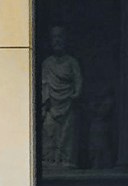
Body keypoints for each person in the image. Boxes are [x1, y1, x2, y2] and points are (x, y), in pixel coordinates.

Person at [40, 27, 84, 168]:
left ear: (65, 40)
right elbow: (43, 83)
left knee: (67, 133)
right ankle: (50, 160)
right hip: (51, 105)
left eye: (60, 37)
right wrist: (45, 100)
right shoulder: (47, 63)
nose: (57, 40)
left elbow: (78, 79)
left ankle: (66, 160)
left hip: (68, 103)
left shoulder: (72, 62)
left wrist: (76, 93)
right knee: (48, 129)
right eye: (54, 38)